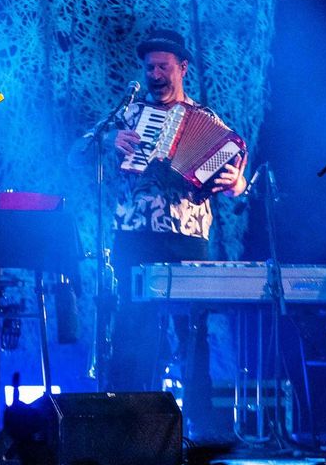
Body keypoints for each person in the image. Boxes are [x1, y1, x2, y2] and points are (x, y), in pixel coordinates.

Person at [105, 28, 247, 418]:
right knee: (135, 328)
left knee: (193, 332)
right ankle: (129, 421)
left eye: (163, 67)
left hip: (187, 239)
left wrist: (238, 182)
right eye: (150, 67)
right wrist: (107, 142)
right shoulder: (127, 115)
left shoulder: (206, 119)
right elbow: (76, 154)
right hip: (135, 235)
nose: (155, 74)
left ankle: (200, 424)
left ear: (182, 68)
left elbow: (234, 177)